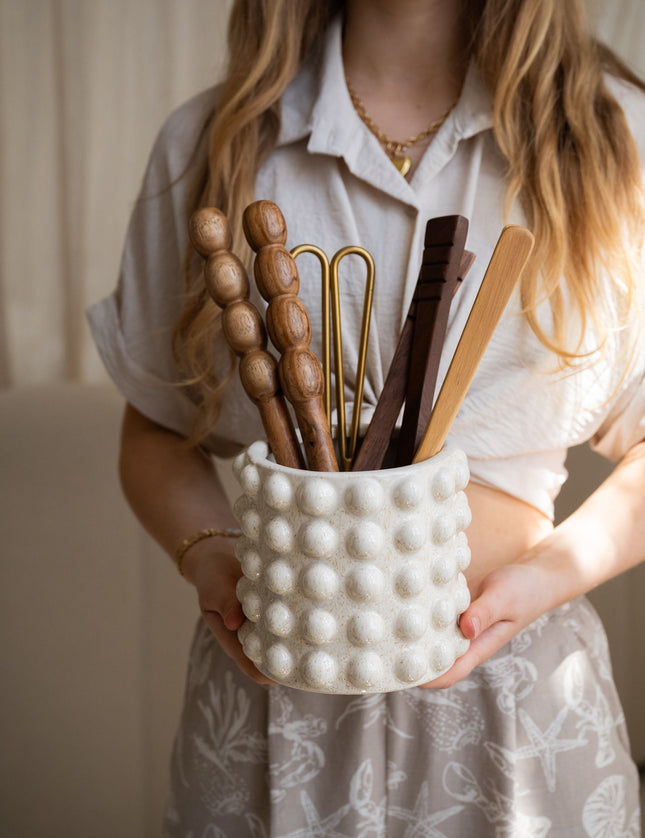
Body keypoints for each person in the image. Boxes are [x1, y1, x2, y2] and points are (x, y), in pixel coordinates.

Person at [88, 0, 645, 834]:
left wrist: (547, 577)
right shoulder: (212, 144)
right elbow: (157, 429)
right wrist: (214, 560)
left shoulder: (615, 137)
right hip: (276, 691)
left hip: (519, 704)